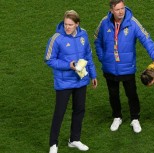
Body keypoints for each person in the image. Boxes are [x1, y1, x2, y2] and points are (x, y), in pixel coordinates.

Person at [94, 0, 154, 133]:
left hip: (127, 66)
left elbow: (146, 38)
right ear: (111, 10)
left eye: (122, 8)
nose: (121, 12)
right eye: (118, 9)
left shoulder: (132, 22)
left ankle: (135, 118)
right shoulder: (104, 22)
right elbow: (97, 39)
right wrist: (102, 57)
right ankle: (117, 116)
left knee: (131, 93)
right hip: (109, 67)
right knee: (113, 94)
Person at [44, 10, 97, 153]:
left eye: (70, 25)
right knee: (59, 112)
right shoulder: (56, 38)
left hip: (81, 80)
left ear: (77, 24)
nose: (67, 27)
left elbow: (88, 56)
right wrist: (68, 65)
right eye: (66, 24)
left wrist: (93, 75)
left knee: (79, 110)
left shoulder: (83, 34)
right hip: (64, 82)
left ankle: (74, 140)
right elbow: (49, 59)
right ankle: (53, 144)